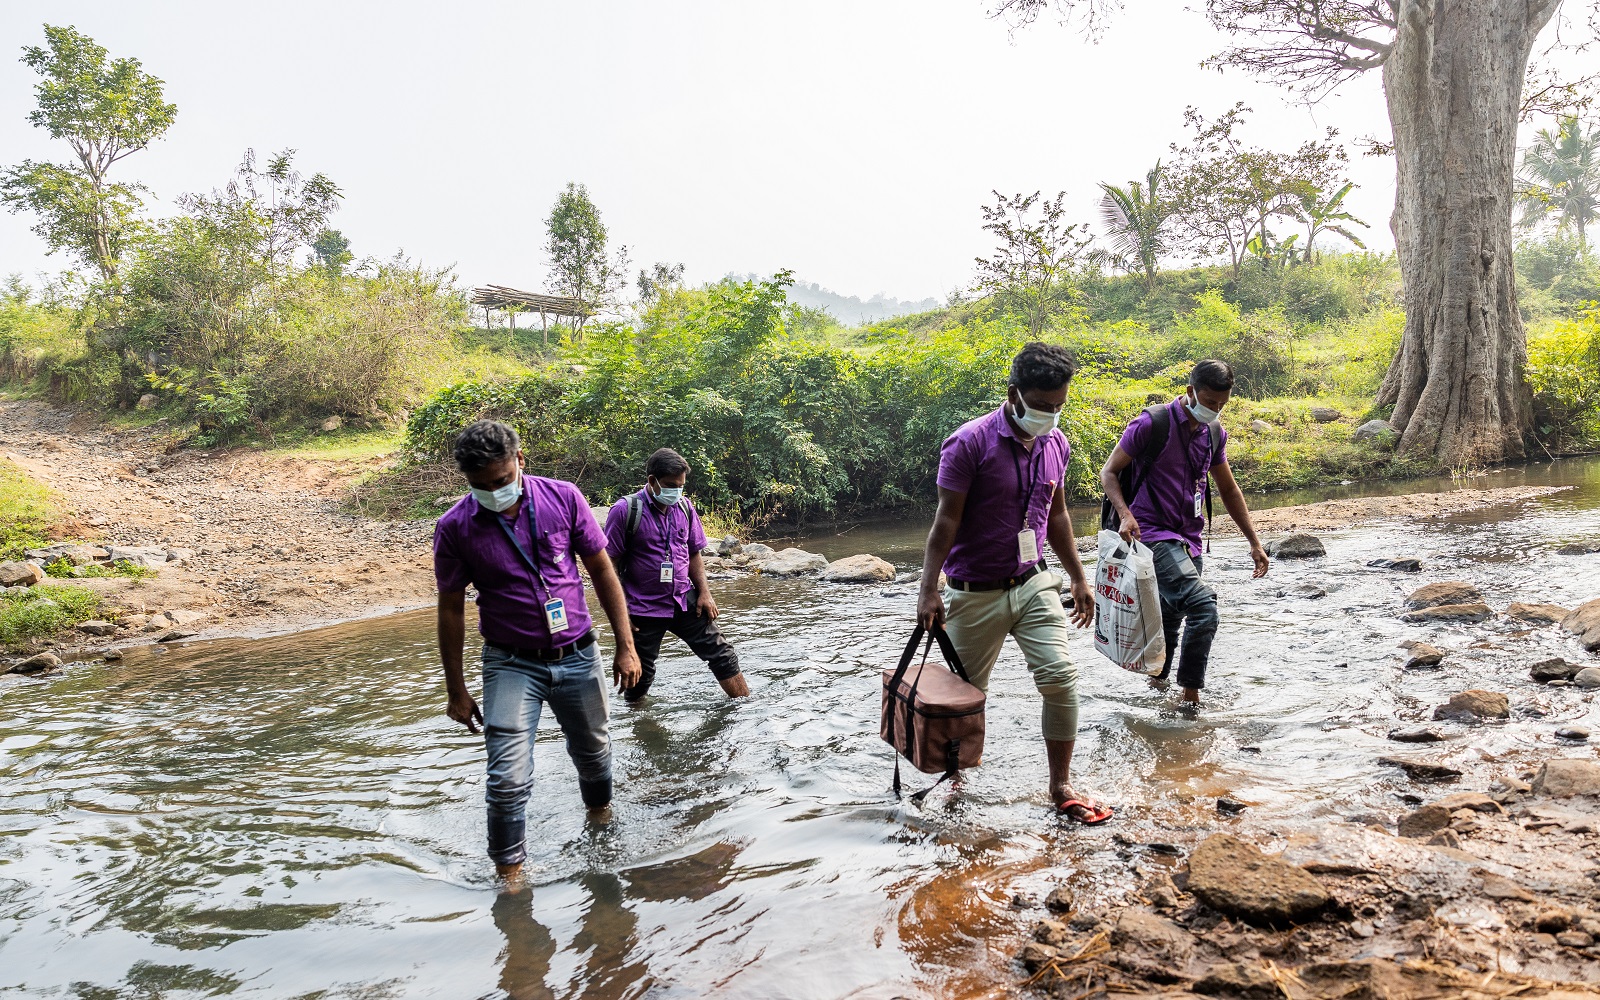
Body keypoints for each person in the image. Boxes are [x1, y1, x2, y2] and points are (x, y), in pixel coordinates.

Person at [433, 419, 642, 880]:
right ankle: (510, 882)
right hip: (510, 663)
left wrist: (626, 646)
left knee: (593, 753)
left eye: (503, 480)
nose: (494, 491)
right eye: (481, 486)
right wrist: (456, 690)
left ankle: (600, 819)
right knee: (506, 778)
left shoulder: (564, 498)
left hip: (579, 654)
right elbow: (450, 610)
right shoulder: (454, 527)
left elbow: (603, 572)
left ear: (520, 462)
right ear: (467, 480)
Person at [917, 341, 1108, 823]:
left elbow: (1058, 514)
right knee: (963, 698)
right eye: (1043, 406)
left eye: (1059, 405)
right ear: (1014, 394)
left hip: (1033, 582)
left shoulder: (1056, 444)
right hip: (973, 591)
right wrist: (929, 587)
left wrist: (1078, 577)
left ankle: (1060, 784)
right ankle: (954, 781)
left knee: (1061, 677)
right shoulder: (969, 443)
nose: (1051, 415)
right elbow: (945, 521)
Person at [1099, 359, 1270, 711]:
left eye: (1222, 404)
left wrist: (1254, 541)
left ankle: (1156, 688)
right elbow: (1109, 472)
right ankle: (1190, 699)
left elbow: (1229, 489)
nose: (1215, 410)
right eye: (1209, 402)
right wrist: (1126, 515)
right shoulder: (1151, 424)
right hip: (1151, 535)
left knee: (1173, 615)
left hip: (1189, 538)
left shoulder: (1213, 433)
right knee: (1204, 607)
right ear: (1190, 391)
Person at [604, 448, 748, 702]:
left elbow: (693, 552)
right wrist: (621, 612)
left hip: (683, 598)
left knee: (722, 654)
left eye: (681, 486)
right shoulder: (626, 511)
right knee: (640, 675)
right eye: (671, 485)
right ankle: (639, 724)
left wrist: (704, 592)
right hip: (642, 606)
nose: (677, 491)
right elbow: (608, 565)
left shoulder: (684, 506)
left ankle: (746, 706)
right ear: (652, 481)